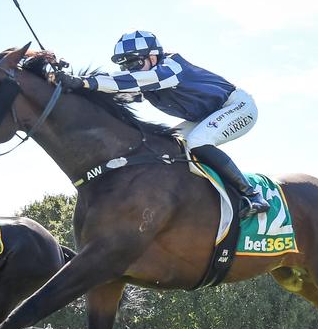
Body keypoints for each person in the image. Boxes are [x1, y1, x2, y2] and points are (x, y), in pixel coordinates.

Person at [46, 30, 270, 218]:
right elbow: (121, 92)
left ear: (153, 57)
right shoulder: (147, 78)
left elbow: (128, 82)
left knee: (196, 142)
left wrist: (85, 81)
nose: (130, 69)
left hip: (237, 106)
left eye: (135, 62)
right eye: (126, 66)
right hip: (206, 116)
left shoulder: (171, 67)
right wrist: (75, 87)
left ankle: (251, 195)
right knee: (167, 145)